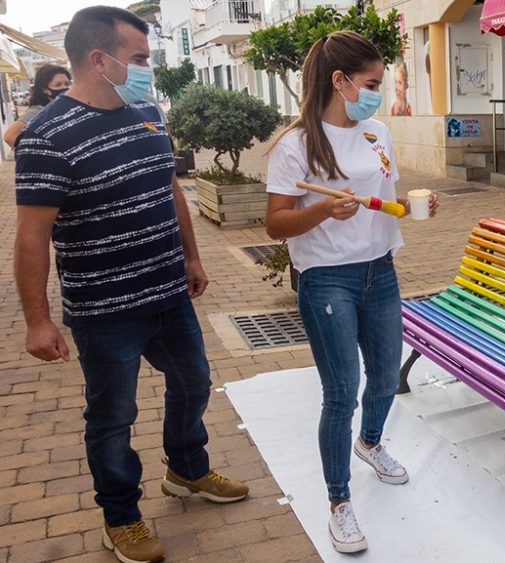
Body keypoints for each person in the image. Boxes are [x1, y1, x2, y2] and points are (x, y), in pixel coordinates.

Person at [13, 7, 248, 563]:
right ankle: (121, 518)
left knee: (194, 383)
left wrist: (191, 256)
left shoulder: (147, 113)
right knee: (113, 417)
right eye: (139, 58)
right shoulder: (46, 137)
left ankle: (186, 470)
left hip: (168, 293)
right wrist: (38, 320)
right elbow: (30, 236)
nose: (146, 68)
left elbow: (169, 189)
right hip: (105, 310)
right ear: (100, 59)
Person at [264, 31, 439, 554]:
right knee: (341, 393)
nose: (377, 94)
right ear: (339, 81)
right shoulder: (295, 144)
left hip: (379, 271)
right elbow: (276, 224)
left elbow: (384, 199)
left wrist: (412, 206)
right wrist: (321, 208)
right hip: (327, 278)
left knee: (386, 377)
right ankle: (338, 500)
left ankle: (370, 443)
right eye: (370, 83)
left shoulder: (376, 132)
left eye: (380, 85)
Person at [3, 64, 72, 147]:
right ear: (45, 89)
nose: (64, 88)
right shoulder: (38, 111)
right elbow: (9, 136)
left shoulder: (60, 107)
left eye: (67, 84)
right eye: (57, 85)